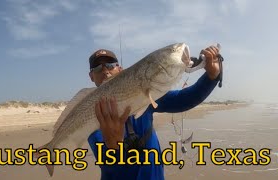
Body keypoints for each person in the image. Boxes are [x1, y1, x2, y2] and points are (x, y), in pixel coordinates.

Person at [87, 45, 221, 180]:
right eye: (97, 68)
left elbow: (183, 99)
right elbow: (109, 167)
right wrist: (113, 147)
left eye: (110, 65)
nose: (105, 71)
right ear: (91, 76)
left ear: (120, 69)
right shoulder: (89, 115)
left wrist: (211, 77)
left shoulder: (145, 95)